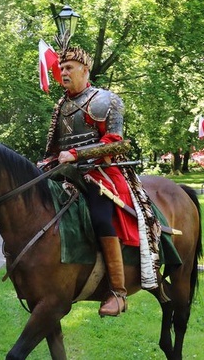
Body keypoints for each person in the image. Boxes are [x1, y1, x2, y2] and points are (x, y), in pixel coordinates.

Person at [39, 44, 135, 317]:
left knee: (101, 218)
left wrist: (78, 154)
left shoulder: (106, 100)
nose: (63, 72)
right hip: (64, 171)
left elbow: (117, 145)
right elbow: (54, 149)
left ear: (85, 69)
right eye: (61, 68)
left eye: (69, 67)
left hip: (99, 173)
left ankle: (117, 292)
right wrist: (44, 164)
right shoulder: (62, 106)